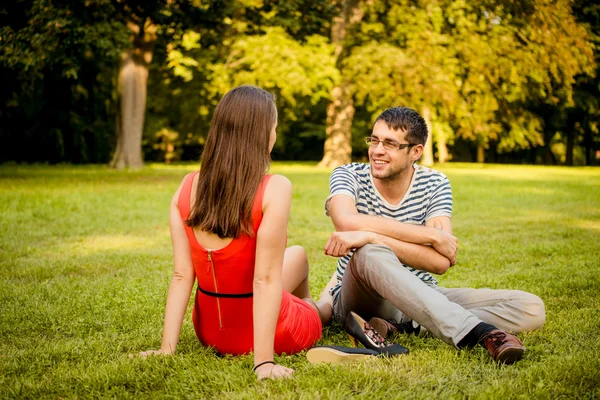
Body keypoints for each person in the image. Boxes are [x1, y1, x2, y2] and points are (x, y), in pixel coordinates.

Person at [322, 106, 546, 364]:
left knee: (530, 307)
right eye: (374, 140)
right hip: (362, 299)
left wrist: (374, 236)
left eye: (390, 144)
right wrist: (429, 236)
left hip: (420, 295)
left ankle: (409, 326)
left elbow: (440, 263)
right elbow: (346, 221)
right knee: (368, 253)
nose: (377, 150)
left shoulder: (435, 183)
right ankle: (479, 333)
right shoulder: (348, 174)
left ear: (415, 152)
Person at [139, 85, 331, 380]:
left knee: (298, 256)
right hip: (276, 334)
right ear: (261, 134)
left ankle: (316, 301)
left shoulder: (186, 187)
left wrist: (167, 349)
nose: (274, 135)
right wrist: (263, 363)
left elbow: (181, 275)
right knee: (308, 288)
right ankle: (322, 307)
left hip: (211, 332)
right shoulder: (275, 187)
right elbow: (264, 279)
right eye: (274, 128)